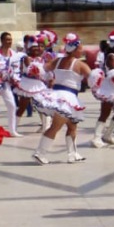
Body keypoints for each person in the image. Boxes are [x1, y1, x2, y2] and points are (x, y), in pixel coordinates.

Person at [34, 33, 91, 164]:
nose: (82, 50)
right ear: (75, 49)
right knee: (55, 127)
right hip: (66, 99)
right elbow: (92, 76)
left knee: (72, 126)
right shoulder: (79, 64)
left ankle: (73, 154)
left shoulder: (57, 60)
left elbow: (43, 69)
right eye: (80, 48)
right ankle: (40, 153)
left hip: (57, 96)